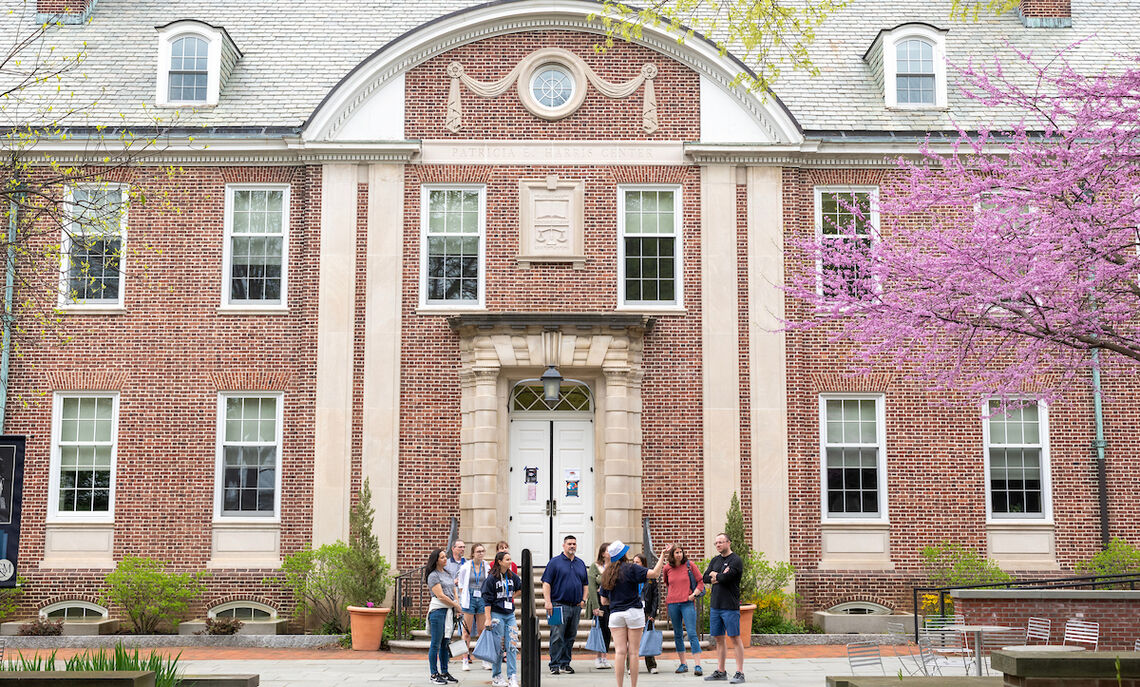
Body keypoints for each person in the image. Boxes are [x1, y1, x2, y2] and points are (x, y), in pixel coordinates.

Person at [598, 540, 666, 687]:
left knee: (619, 653)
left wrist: (616, 601)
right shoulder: (632, 568)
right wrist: (661, 556)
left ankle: (619, 685)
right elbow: (654, 573)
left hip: (616, 614)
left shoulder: (607, 573)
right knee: (634, 653)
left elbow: (603, 601)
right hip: (634, 613)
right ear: (624, 554)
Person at [541, 534, 589, 675]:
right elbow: (546, 583)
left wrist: (583, 600)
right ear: (563, 545)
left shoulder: (580, 563)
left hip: (575, 606)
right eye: (569, 544)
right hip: (557, 605)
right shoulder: (555, 562)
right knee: (557, 636)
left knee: (570, 636)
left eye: (574, 544)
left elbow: (585, 584)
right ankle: (554, 664)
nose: (572, 546)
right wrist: (548, 602)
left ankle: (565, 663)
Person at [702, 533, 745, 684]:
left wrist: (717, 576)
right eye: (716, 543)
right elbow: (705, 577)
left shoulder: (736, 560)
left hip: (730, 606)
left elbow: (727, 578)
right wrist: (717, 575)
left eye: (721, 542)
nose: (718, 545)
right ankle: (721, 671)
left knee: (734, 638)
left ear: (728, 542)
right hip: (716, 606)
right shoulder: (715, 560)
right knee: (719, 639)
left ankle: (740, 672)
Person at [482, 550, 523, 687]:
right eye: (507, 559)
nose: (510, 562)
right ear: (499, 562)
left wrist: (511, 597)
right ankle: (497, 676)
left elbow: (520, 588)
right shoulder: (491, 579)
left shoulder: (512, 576)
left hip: (510, 614)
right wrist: (488, 619)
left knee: (512, 644)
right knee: (498, 646)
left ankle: (512, 676)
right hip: (496, 615)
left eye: (510, 559)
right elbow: (486, 601)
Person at [663, 544, 704, 675]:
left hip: (687, 603)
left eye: (681, 552)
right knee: (678, 634)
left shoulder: (689, 565)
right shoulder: (667, 568)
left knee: (692, 633)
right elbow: (667, 583)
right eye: (676, 552)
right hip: (673, 604)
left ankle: (698, 665)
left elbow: (701, 582)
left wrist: (693, 595)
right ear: (672, 555)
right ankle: (683, 664)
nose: (679, 554)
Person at [425, 547, 463, 685]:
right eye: (442, 557)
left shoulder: (447, 573)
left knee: (445, 644)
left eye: (445, 557)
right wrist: (455, 605)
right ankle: (434, 674)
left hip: (449, 611)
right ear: (435, 561)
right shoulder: (433, 576)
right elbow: (440, 596)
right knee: (435, 643)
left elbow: (454, 590)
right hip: (438, 612)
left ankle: (445, 672)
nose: (445, 559)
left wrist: (457, 606)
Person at [458, 542, 492, 671]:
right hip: (470, 598)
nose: (481, 554)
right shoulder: (466, 566)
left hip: (482, 598)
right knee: (466, 631)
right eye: (478, 551)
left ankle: (483, 658)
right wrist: (463, 597)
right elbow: (461, 583)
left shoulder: (486, 566)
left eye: (482, 551)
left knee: (482, 630)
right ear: (473, 553)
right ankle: (465, 658)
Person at [586, 542, 613, 669]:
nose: (610, 552)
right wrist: (595, 606)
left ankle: (605, 657)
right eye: (608, 550)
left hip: (612, 604)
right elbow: (592, 587)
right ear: (603, 553)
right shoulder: (594, 566)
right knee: (600, 629)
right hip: (599, 603)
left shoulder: (614, 566)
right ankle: (598, 657)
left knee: (608, 630)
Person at [632, 553, 659, 674]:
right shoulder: (630, 576)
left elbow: (655, 597)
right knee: (632, 640)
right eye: (633, 562)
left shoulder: (650, 577)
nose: (634, 564)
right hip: (633, 610)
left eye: (637, 562)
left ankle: (651, 665)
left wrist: (653, 613)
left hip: (646, 612)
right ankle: (631, 666)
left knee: (648, 638)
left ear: (643, 564)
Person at [442, 538, 466, 666]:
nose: (462, 549)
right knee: (449, 628)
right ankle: (446, 655)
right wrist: (453, 582)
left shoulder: (467, 563)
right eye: (459, 547)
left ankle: (464, 656)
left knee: (464, 629)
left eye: (463, 547)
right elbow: (443, 579)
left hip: (463, 597)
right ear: (453, 549)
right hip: (450, 597)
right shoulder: (447, 563)